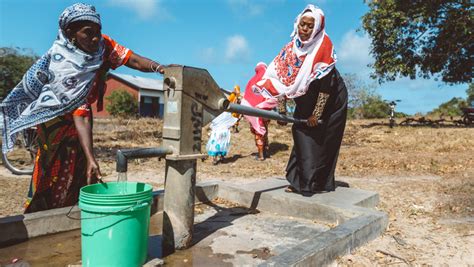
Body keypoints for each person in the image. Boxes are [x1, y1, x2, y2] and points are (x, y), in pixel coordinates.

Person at [0, 3, 166, 213]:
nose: (95, 38)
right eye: (88, 33)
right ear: (70, 33)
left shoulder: (102, 46)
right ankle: (39, 218)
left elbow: (130, 58)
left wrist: (160, 68)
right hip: (55, 123)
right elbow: (81, 113)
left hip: (82, 121)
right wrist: (92, 158)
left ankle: (70, 213)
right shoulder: (63, 62)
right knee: (52, 171)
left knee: (78, 170)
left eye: (98, 32)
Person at [254, 5, 348, 196]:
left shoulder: (324, 46)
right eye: (302, 25)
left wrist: (317, 113)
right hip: (305, 98)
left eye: (309, 26)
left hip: (331, 100)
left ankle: (313, 183)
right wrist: (281, 111)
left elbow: (325, 86)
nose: (304, 29)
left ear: (317, 28)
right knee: (300, 133)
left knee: (323, 140)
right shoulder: (290, 50)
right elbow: (278, 80)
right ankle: (302, 181)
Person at [241, 62, 278, 161]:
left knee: (258, 133)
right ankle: (264, 151)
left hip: (254, 112)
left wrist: (256, 107)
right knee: (264, 131)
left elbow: (246, 98)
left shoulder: (252, 81)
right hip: (266, 113)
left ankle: (261, 155)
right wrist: (264, 106)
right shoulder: (269, 81)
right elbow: (274, 98)